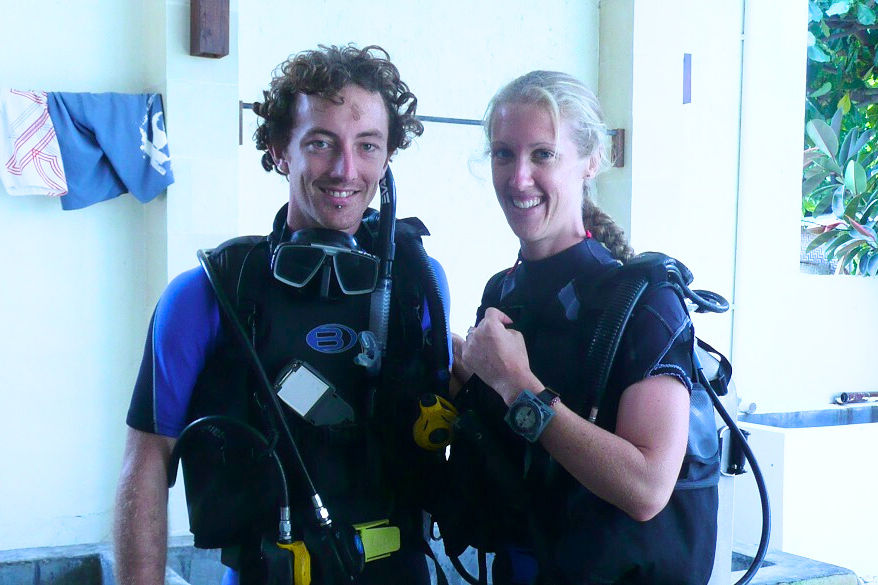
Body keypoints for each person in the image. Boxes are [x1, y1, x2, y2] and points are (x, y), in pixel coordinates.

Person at [113, 44, 450, 585]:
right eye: (320, 143)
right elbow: (147, 461)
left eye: (368, 146)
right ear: (277, 149)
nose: (346, 169)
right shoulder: (210, 294)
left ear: (387, 157)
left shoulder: (418, 286)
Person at [447, 71, 719, 584]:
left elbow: (645, 489)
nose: (518, 177)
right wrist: (465, 380)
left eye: (543, 155)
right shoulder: (501, 294)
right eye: (504, 154)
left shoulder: (646, 306)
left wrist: (515, 385)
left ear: (591, 161)